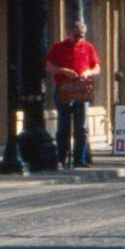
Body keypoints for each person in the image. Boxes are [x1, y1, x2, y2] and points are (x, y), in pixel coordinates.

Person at [46, 18, 100, 168]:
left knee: (81, 127)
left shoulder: (88, 47)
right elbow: (49, 66)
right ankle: (61, 158)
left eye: (81, 36)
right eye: (76, 35)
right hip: (64, 89)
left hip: (81, 90)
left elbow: (97, 67)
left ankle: (80, 158)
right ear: (69, 33)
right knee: (63, 125)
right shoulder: (58, 47)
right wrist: (64, 70)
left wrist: (88, 72)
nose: (79, 39)